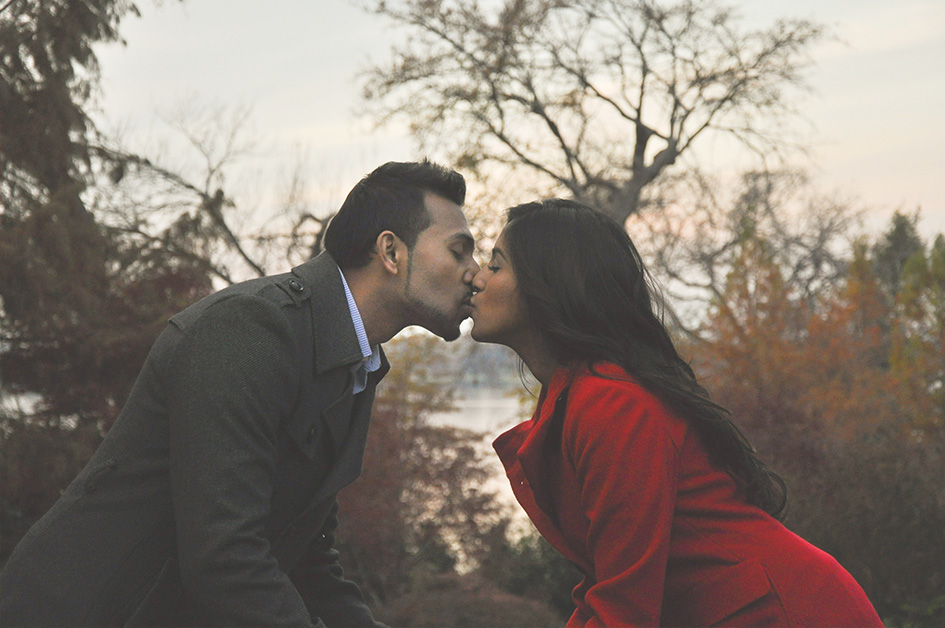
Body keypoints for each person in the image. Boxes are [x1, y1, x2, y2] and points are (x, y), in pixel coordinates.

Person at [0, 161, 479, 627]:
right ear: (391, 253)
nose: (475, 273)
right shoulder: (249, 331)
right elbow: (224, 556)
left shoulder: (352, 361)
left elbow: (306, 556)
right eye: (460, 251)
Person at [469, 199, 883, 628]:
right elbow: (607, 588)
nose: (477, 278)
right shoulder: (580, 395)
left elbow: (623, 605)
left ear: (547, 286)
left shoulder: (611, 403)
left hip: (785, 611)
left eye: (496, 266)